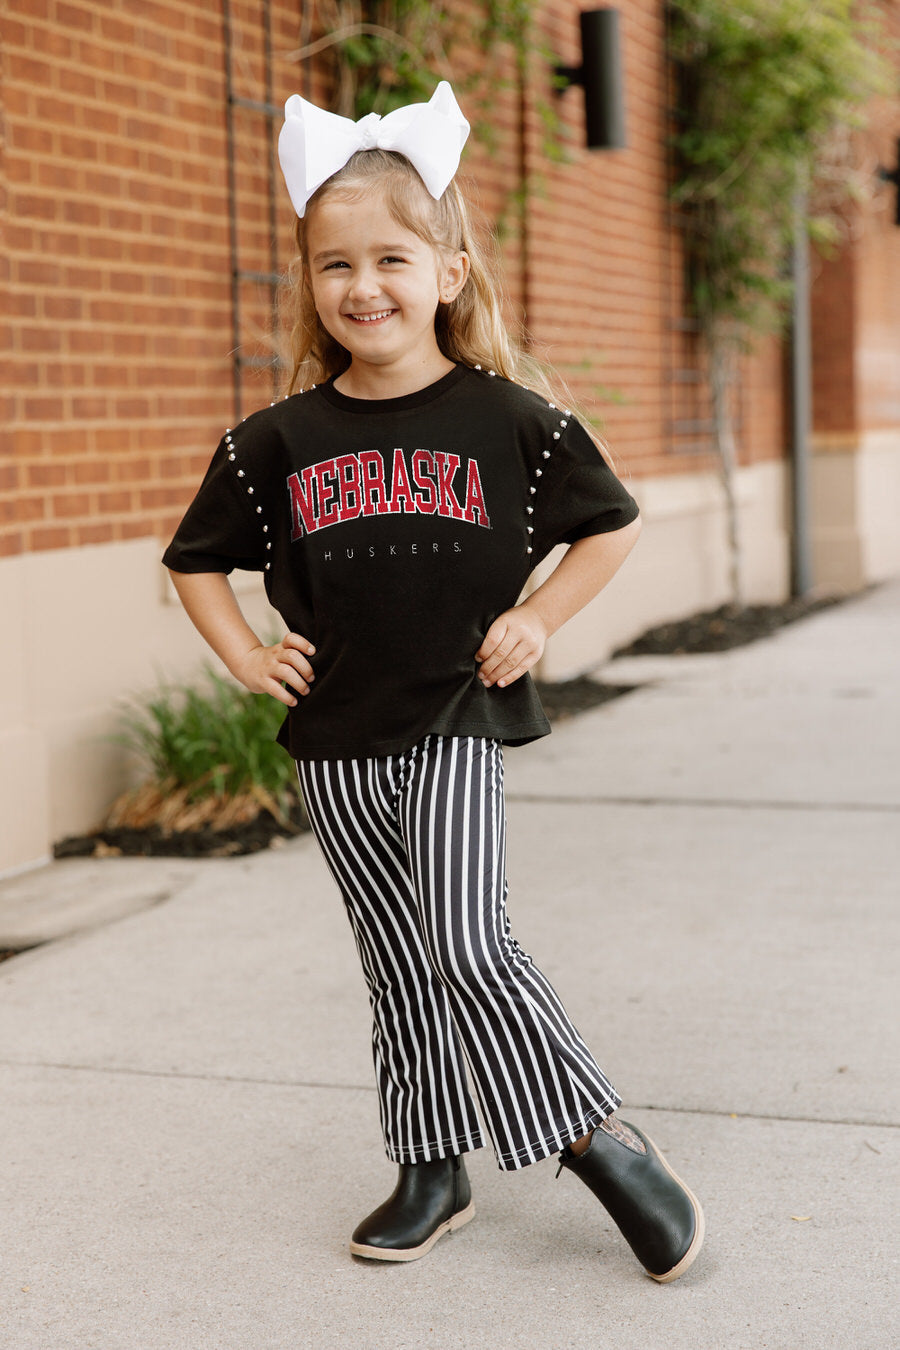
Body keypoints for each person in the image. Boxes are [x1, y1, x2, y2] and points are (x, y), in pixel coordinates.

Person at [163, 81, 704, 1282]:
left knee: (466, 943)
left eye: (392, 259)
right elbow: (194, 561)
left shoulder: (511, 422)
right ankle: (430, 1166)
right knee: (397, 962)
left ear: (449, 273)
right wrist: (244, 651)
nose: (364, 286)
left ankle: (597, 1136)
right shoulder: (275, 443)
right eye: (336, 264)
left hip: (456, 715)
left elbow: (610, 525)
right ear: (311, 281)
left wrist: (538, 617)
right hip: (335, 735)